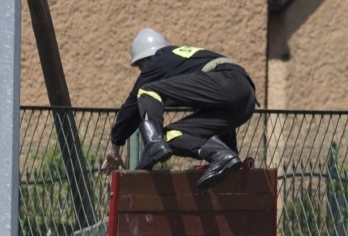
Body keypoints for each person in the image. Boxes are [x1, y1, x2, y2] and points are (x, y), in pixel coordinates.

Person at [100, 28, 257, 190]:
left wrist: (115, 145)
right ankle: (222, 155)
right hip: (246, 98)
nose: (143, 72)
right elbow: (220, 117)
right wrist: (231, 152)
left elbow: (132, 103)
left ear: (146, 58)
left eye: (141, 67)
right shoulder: (184, 60)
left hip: (226, 81)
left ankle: (154, 143)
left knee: (146, 91)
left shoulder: (159, 59)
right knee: (172, 136)